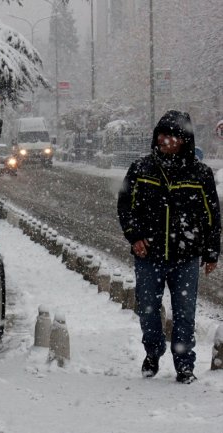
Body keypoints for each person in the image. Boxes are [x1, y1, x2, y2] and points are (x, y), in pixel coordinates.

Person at [117, 110, 221, 384]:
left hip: (186, 257)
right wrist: (135, 236)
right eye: (161, 134)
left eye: (171, 135)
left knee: (185, 315)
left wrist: (211, 252)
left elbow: (212, 215)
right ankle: (152, 352)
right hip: (148, 255)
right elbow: (125, 206)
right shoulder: (141, 169)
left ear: (184, 140)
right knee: (148, 310)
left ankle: (184, 365)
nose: (164, 139)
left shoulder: (200, 174)